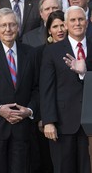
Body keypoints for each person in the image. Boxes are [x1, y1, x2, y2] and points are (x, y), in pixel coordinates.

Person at [0, 8, 38, 173]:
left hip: (22, 131)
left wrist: (29, 110)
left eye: (12, 25)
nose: (8, 29)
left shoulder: (31, 53)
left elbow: (37, 88)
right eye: (4, 25)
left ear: (18, 27)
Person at [40, 6, 91, 173]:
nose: (77, 23)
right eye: (73, 20)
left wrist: (84, 74)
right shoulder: (52, 51)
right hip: (63, 123)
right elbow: (46, 88)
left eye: (81, 19)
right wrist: (48, 121)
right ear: (66, 25)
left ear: (87, 22)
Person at [32, 10, 67, 173]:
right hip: (48, 119)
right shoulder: (40, 53)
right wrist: (43, 118)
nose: (59, 30)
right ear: (49, 31)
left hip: (69, 117)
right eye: (55, 26)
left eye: (62, 25)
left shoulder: (76, 49)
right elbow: (39, 87)